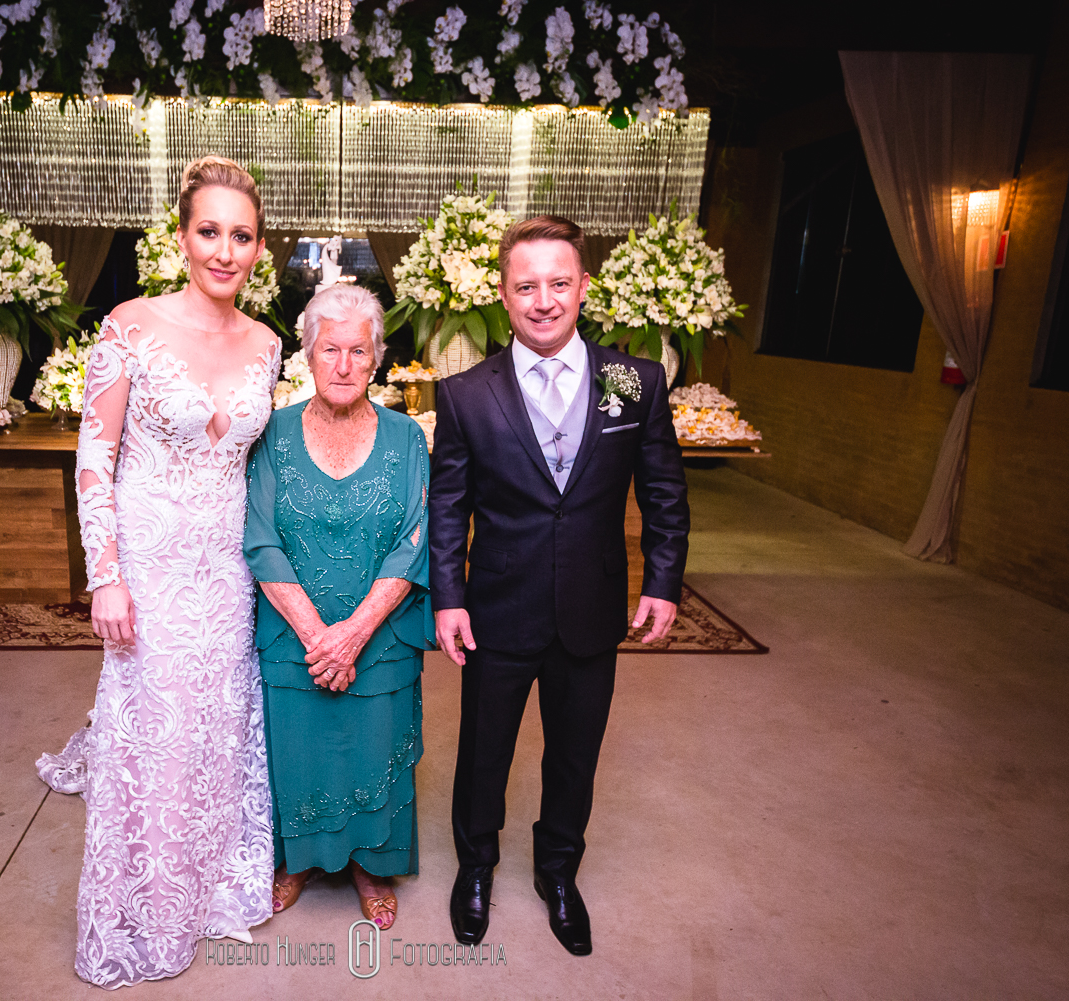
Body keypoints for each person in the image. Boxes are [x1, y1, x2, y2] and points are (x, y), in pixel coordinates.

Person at [35, 156, 281, 989]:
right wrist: (105, 574)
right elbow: (93, 461)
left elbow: (256, 468)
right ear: (181, 238)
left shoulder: (268, 345)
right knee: (151, 731)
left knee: (217, 723)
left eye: (241, 235)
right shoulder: (129, 327)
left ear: (258, 248)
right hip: (148, 565)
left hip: (226, 570)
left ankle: (208, 879)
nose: (224, 250)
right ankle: (142, 904)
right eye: (209, 231)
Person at [429, 215, 689, 957]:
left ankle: (558, 872)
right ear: (503, 294)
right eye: (526, 286)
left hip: (591, 604)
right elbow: (448, 505)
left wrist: (663, 580)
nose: (543, 300)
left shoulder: (633, 382)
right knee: (484, 750)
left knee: (575, 753)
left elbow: (663, 491)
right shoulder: (465, 394)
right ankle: (476, 866)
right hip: (498, 607)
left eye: (558, 283)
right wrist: (449, 595)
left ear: (583, 287)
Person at [243, 284, 432, 931]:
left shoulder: (407, 438)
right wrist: (318, 636)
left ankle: (372, 865)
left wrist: (352, 634)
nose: (344, 365)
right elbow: (260, 539)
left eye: (358, 350)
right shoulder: (273, 433)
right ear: (308, 354)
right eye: (330, 349)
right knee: (297, 750)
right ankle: (297, 860)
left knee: (373, 749)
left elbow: (414, 540)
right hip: (293, 639)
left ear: (376, 358)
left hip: (379, 640)